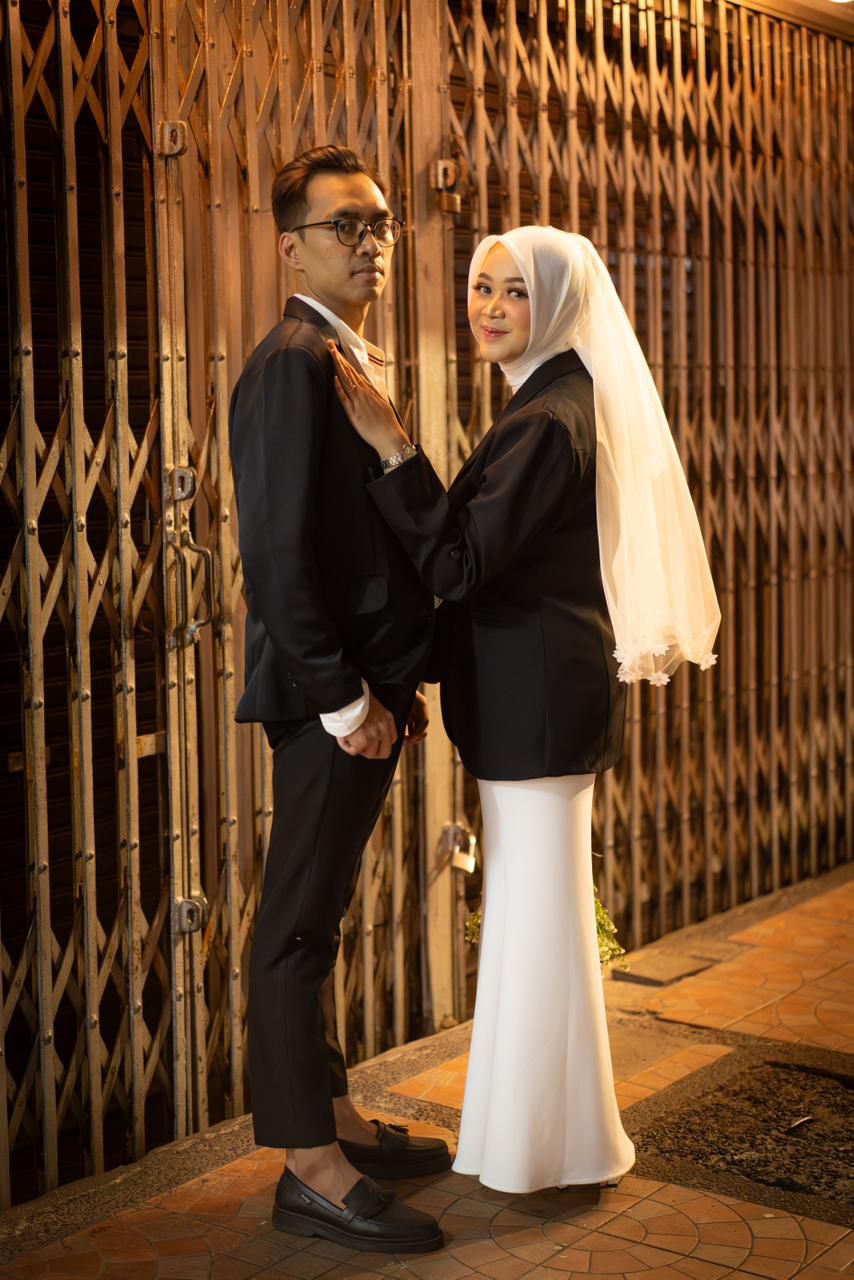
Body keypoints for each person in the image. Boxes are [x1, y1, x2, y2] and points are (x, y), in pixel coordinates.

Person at [328, 225, 721, 1192]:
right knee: (531, 916)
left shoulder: (551, 416)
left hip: (538, 707)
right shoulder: (552, 398)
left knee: (538, 921)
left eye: (514, 291)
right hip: (536, 703)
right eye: (481, 286)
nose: (490, 308)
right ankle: (538, 1139)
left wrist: (393, 449)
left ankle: (546, 1147)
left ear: (557, 302)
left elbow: (462, 564)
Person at [228, 145, 449, 1252]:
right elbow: (275, 552)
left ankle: (335, 1116)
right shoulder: (291, 363)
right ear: (291, 247)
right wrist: (341, 696)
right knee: (295, 924)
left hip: (366, 690)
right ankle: (308, 1167)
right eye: (344, 226)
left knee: (321, 912)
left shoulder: (339, 356)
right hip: (335, 698)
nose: (370, 243)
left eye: (381, 224)